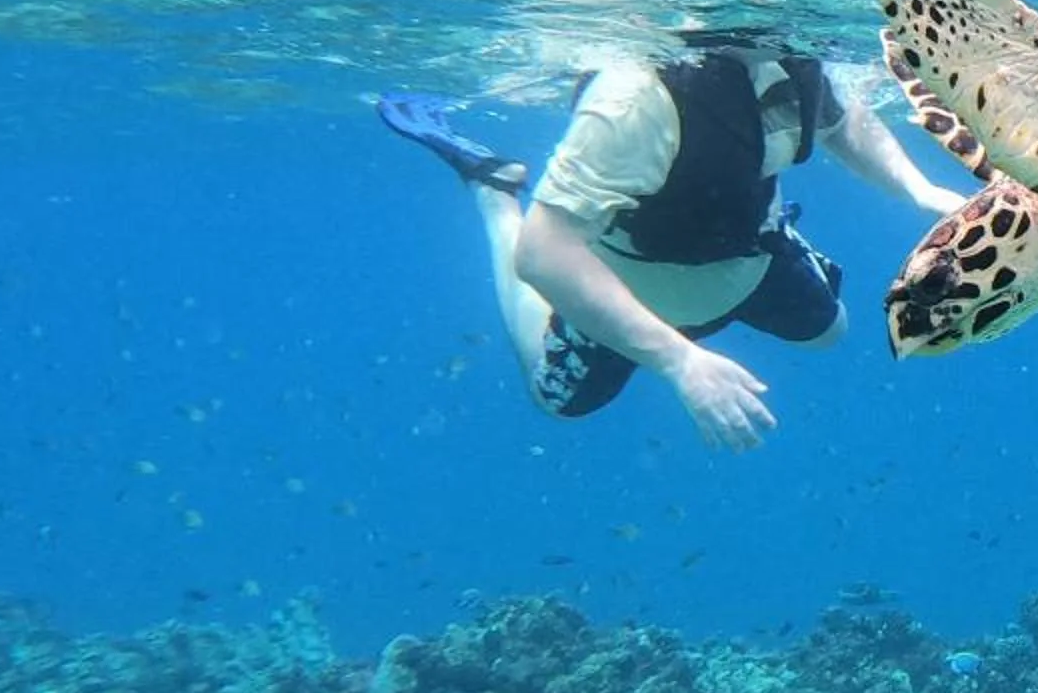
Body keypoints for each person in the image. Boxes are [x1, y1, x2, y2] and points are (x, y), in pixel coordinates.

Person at [379, 48, 964, 451]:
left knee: (830, 330)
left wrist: (917, 189)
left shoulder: (791, 53)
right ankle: (495, 190)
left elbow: (838, 120)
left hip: (749, 253)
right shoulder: (637, 97)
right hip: (631, 284)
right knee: (555, 398)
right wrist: (677, 361)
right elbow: (544, 253)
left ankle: (775, 232)